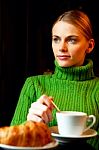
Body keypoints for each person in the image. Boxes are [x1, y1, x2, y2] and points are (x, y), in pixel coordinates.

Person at [10, 10, 99, 150]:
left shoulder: (97, 88)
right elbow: (11, 144)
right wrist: (29, 126)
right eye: (56, 39)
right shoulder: (34, 84)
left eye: (71, 40)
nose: (61, 48)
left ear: (90, 46)